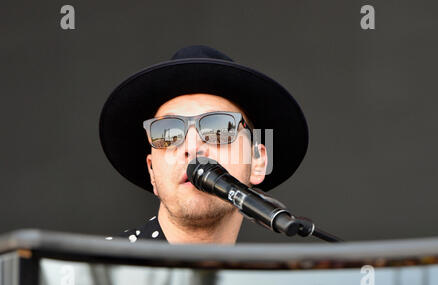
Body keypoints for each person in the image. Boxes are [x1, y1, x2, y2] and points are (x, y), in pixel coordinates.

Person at [99, 45, 309, 244]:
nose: (191, 147)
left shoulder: (267, 282)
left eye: (218, 128)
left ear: (258, 162)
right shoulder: (93, 271)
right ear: (152, 170)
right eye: (167, 132)